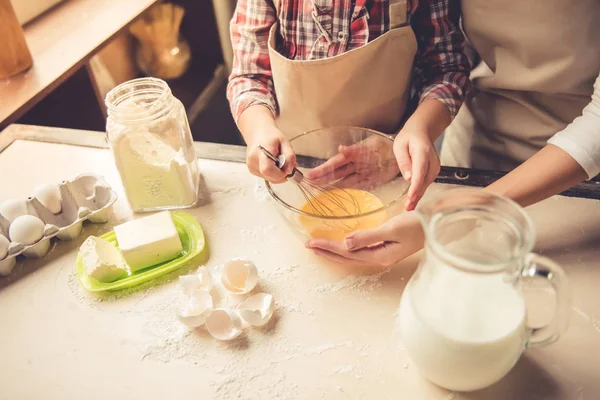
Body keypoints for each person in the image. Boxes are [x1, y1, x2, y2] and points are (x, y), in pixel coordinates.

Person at [306, 0, 600, 266]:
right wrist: (408, 137)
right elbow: (452, 55)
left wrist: (453, 216)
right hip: (470, 157)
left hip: (577, 180)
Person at [228, 0, 471, 210]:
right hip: (290, 173)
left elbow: (445, 71)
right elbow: (250, 76)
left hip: (390, 168)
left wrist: (418, 130)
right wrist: (259, 129)